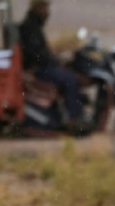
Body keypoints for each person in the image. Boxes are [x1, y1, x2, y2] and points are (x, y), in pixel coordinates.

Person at [17, 0, 88, 132]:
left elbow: (41, 51)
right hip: (39, 69)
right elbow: (37, 54)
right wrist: (55, 61)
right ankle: (75, 119)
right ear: (37, 7)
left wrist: (58, 58)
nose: (47, 12)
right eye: (45, 7)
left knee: (70, 75)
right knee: (71, 81)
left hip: (42, 66)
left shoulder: (33, 25)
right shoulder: (30, 27)